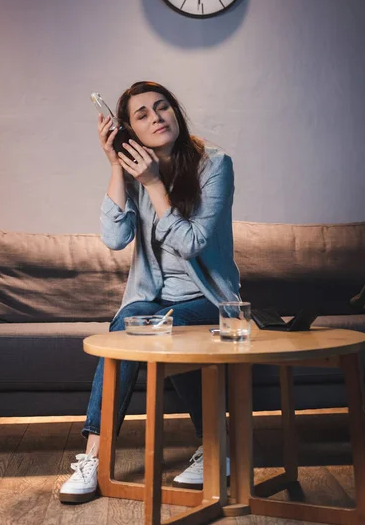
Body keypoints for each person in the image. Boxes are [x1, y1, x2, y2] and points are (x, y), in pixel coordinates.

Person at [59, 81, 240, 503]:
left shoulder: (215, 165)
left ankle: (210, 449)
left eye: (162, 108)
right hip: (152, 300)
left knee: (138, 327)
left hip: (208, 301)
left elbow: (192, 242)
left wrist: (156, 185)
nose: (156, 117)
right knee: (133, 322)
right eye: (141, 115)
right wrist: (116, 167)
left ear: (176, 113)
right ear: (129, 131)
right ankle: (100, 459)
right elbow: (114, 237)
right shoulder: (134, 170)